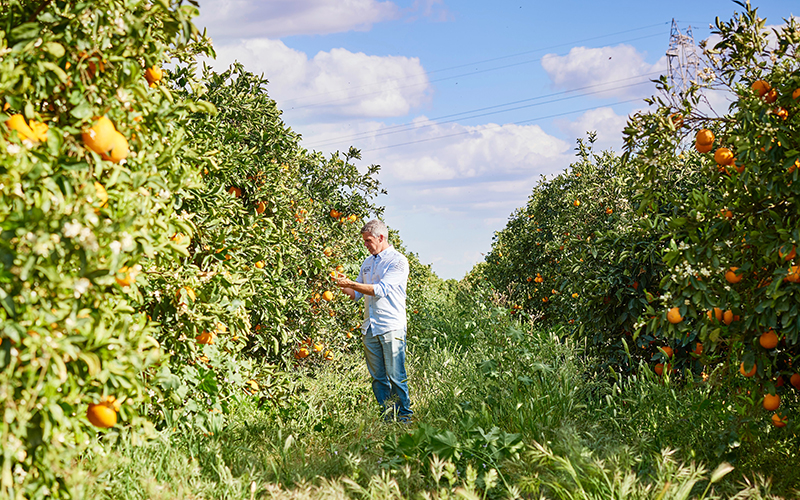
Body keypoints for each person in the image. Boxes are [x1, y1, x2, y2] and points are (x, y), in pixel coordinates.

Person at [334, 219, 412, 422]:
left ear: (381, 237)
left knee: (396, 375)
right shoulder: (367, 263)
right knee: (378, 378)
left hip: (390, 326)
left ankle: (404, 417)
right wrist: (341, 283)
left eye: (368, 241)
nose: (366, 245)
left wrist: (351, 283)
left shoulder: (398, 261)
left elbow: (381, 290)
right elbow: (356, 294)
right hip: (370, 327)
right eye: (364, 242)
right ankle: (388, 416)